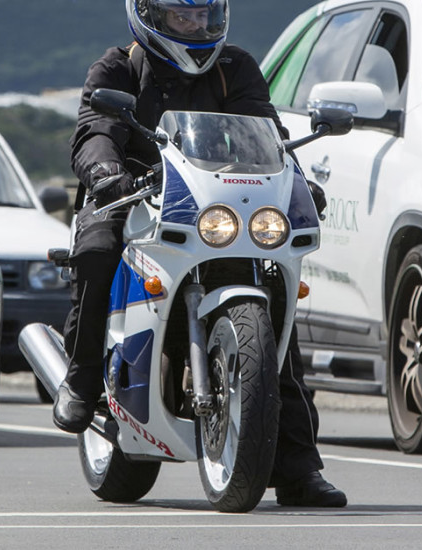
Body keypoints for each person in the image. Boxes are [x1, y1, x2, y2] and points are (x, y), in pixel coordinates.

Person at [54, 0, 345, 508]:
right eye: (181, 16)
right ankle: (81, 380)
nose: (195, 26)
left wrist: (297, 181)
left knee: (275, 295)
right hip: (132, 194)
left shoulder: (236, 68)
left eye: (204, 16)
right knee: (99, 250)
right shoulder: (118, 67)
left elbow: (267, 133)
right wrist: (103, 172)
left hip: (215, 205)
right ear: (149, 16)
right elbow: (96, 131)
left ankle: (298, 469)